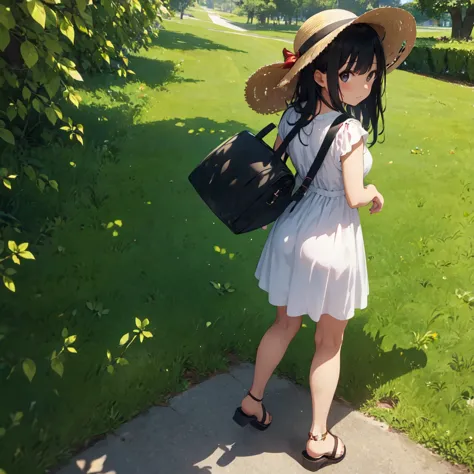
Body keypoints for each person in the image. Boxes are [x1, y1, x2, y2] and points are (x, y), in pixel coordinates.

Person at [233, 7, 416, 471]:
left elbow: (273, 168)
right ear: (320, 75)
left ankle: (252, 401)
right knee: (328, 344)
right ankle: (318, 438)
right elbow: (353, 195)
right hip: (331, 237)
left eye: (373, 73)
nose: (368, 82)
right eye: (356, 73)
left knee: (283, 325)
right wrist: (372, 193)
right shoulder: (349, 131)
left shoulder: (291, 118)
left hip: (292, 231)